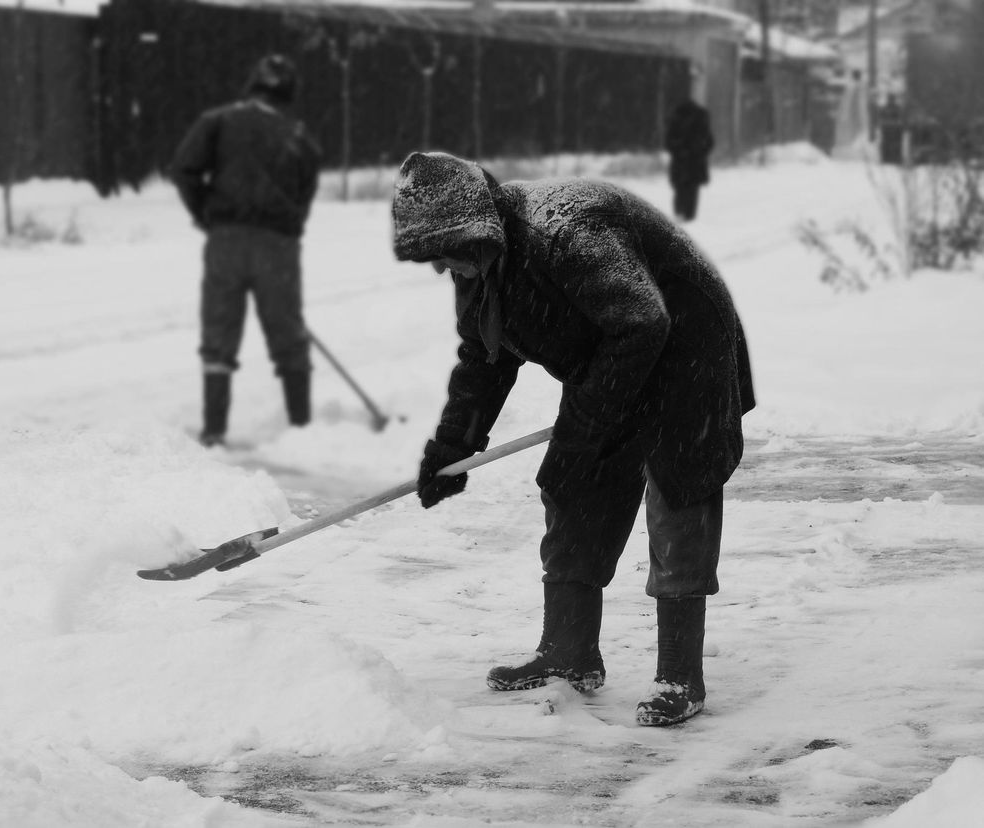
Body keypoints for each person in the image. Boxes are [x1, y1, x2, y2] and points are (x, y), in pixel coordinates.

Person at [391, 151, 755, 726]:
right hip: (615, 355)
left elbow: (643, 322)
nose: (440, 269)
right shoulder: (482, 269)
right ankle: (569, 651)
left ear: (474, 229)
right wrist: (452, 450)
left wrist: (584, 427)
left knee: (678, 492)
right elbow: (484, 361)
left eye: (443, 254)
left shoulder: (567, 233)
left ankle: (680, 675)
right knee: (574, 484)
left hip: (686, 349)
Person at [170, 54, 323, 447]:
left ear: (252, 84)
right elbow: (304, 192)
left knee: (219, 333)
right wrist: (288, 227)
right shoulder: (300, 137)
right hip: (278, 246)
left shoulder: (218, 122)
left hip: (227, 241)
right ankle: (302, 429)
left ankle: (214, 430)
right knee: (287, 333)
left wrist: (207, 214)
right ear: (289, 92)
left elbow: (184, 169)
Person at [665, 97, 714, 222]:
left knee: (680, 188)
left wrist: (678, 150)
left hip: (680, 161)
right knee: (691, 189)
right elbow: (709, 142)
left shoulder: (676, 119)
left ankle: (680, 212)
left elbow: (668, 142)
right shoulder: (701, 118)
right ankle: (688, 214)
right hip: (695, 161)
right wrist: (700, 151)